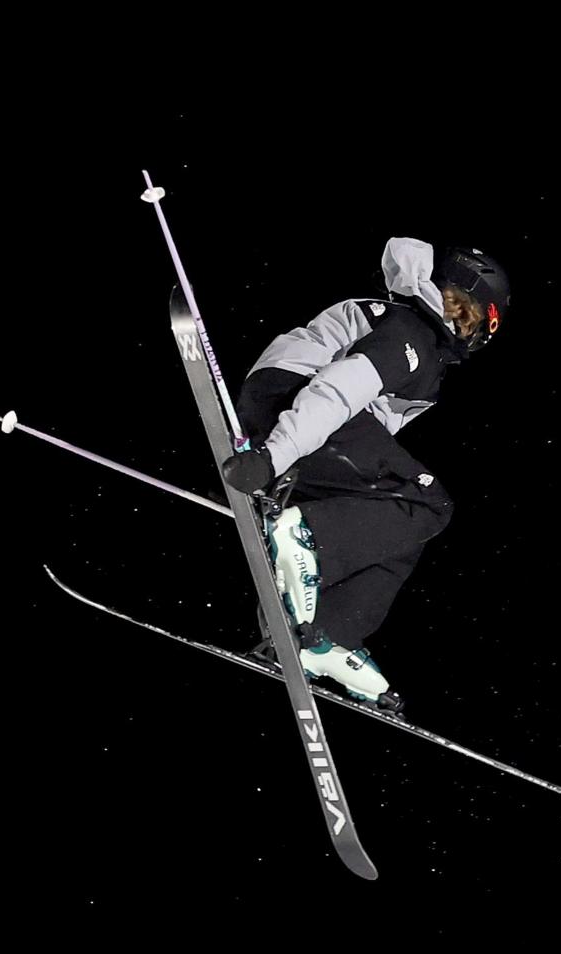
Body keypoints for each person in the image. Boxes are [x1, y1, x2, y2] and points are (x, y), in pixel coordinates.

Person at [219, 238, 512, 707]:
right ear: (472, 309)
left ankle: (325, 637)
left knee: (401, 535)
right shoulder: (413, 333)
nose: (474, 334)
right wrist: (274, 457)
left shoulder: (412, 335)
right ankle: (308, 539)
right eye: (484, 322)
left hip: (300, 417)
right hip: (299, 402)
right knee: (428, 503)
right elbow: (338, 389)